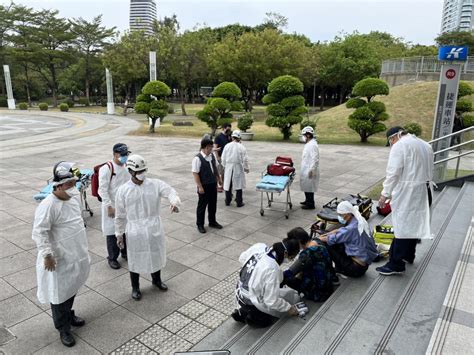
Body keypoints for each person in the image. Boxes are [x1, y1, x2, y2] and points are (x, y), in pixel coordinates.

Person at [32, 161, 90, 347]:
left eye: (75, 183)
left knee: (71, 288)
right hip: (59, 260)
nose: (73, 187)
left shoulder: (72, 200)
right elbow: (39, 232)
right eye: (69, 184)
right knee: (58, 294)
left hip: (75, 255)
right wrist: (47, 255)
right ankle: (63, 328)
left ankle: (69, 315)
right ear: (57, 184)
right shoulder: (49, 205)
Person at [115, 154, 181, 300]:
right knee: (135, 258)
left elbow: (170, 192)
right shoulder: (123, 190)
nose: (142, 174)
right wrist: (119, 234)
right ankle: (135, 287)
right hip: (135, 230)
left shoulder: (155, 184)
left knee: (155, 254)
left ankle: (156, 280)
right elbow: (119, 215)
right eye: (139, 172)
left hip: (153, 227)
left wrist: (174, 202)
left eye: (144, 170)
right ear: (130, 171)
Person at [376, 126, 434, 276]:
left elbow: (393, 173)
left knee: (402, 225)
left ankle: (396, 264)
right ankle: (409, 255)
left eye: (390, 142)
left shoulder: (400, 145)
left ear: (393, 138)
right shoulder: (425, 144)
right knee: (413, 223)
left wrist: (384, 194)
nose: (391, 145)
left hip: (410, 191)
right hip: (425, 189)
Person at [232, 238, 302, 328]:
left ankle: (243, 311)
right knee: (265, 321)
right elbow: (271, 301)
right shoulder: (272, 268)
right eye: (291, 257)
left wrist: (255, 274)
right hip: (250, 300)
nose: (290, 260)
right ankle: (249, 316)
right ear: (285, 253)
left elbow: (242, 258)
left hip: (240, 289)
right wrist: (289, 308)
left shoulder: (260, 246)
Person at [319, 201, 378, 278]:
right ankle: (340, 267)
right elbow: (342, 231)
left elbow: (332, 239)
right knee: (337, 241)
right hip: (363, 265)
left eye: (340, 215)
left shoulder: (350, 229)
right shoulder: (358, 220)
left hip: (355, 269)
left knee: (326, 244)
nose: (339, 217)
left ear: (348, 214)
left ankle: (336, 271)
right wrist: (332, 232)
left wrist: (319, 239)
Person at [98, 143, 131, 269]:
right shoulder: (107, 168)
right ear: (115, 154)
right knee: (112, 232)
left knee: (125, 230)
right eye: (122, 155)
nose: (124, 157)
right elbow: (103, 189)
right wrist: (108, 206)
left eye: (126, 154)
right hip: (112, 205)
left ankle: (125, 252)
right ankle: (112, 258)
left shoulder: (127, 166)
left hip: (125, 204)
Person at [283, 227, 335, 302]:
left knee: (287, 278)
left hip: (319, 293)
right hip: (328, 285)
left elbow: (290, 272)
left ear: (299, 241)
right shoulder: (318, 242)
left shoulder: (307, 254)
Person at [192, 137, 223, 234]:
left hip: (212, 184)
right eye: (210, 148)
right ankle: (200, 224)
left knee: (213, 204)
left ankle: (212, 221)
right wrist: (200, 186)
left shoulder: (211, 156)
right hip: (204, 185)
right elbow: (195, 173)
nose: (211, 149)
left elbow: (215, 168)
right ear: (205, 147)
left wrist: (218, 178)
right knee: (202, 205)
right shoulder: (197, 158)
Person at [221, 130, 250, 207]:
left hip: (229, 166)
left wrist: (224, 166)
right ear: (239, 138)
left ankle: (227, 200)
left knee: (228, 184)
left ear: (232, 137)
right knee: (239, 184)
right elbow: (245, 159)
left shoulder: (227, 146)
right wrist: (246, 168)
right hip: (238, 167)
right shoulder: (242, 147)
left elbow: (223, 158)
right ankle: (239, 202)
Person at [300, 126, 320, 210]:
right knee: (306, 185)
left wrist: (312, 169)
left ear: (308, 135)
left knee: (309, 186)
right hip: (306, 168)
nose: (303, 137)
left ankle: (310, 204)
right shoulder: (309, 143)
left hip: (310, 169)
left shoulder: (312, 145)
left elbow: (315, 158)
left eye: (304, 135)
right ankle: (307, 200)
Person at [214, 123, 232, 192]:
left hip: (228, 158)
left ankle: (223, 185)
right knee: (220, 172)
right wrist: (217, 156)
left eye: (230, 129)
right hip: (221, 157)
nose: (229, 131)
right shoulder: (218, 137)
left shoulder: (229, 136)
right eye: (227, 129)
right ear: (223, 128)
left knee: (225, 172)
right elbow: (215, 147)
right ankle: (219, 185)